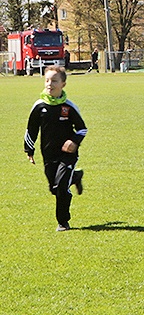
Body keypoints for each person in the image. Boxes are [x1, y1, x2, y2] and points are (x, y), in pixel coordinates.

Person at [24, 66, 87, 231]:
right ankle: (76, 177)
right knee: (54, 188)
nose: (49, 84)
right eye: (47, 80)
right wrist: (29, 150)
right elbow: (31, 130)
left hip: (67, 155)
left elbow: (82, 129)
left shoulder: (69, 107)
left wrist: (74, 141)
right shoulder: (39, 106)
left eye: (54, 81)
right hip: (48, 155)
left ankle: (63, 222)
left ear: (63, 84)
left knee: (61, 188)